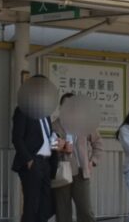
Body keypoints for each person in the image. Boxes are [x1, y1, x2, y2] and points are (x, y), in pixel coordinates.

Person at [12, 88, 63, 222]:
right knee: (32, 205)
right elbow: (17, 138)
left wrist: (56, 139)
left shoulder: (45, 114)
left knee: (45, 205)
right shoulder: (22, 110)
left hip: (46, 162)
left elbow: (47, 136)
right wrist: (29, 160)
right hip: (33, 162)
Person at [53, 93, 101, 222]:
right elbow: (49, 146)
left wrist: (93, 161)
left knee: (86, 211)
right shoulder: (55, 125)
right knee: (63, 212)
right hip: (62, 172)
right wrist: (60, 147)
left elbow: (98, 144)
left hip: (81, 173)